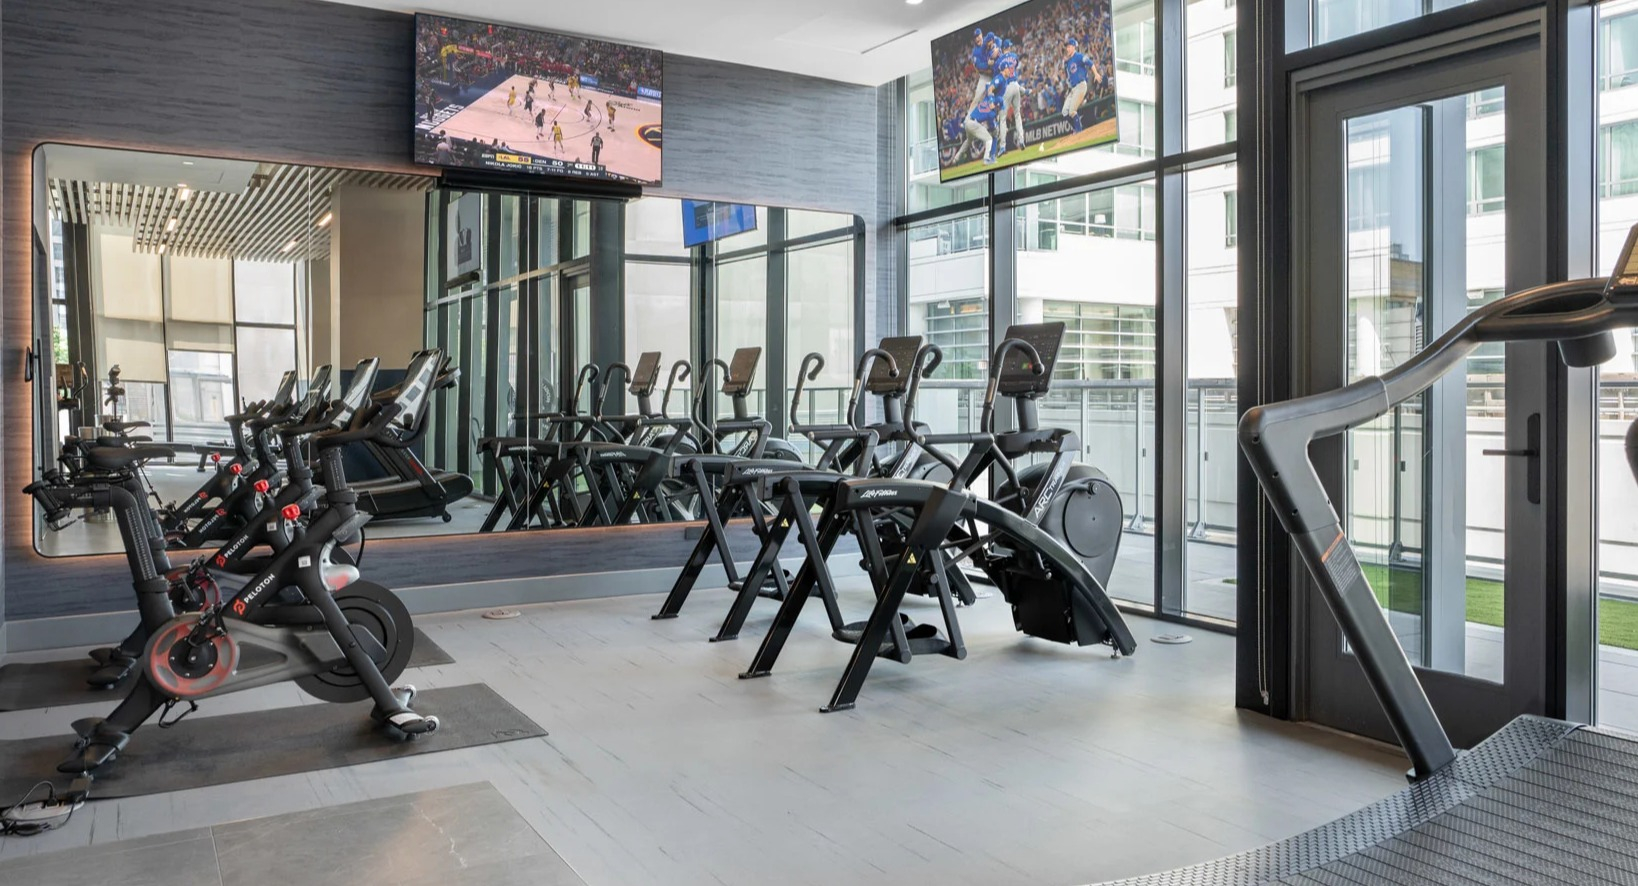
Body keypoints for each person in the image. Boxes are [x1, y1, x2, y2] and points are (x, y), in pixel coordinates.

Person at [1061, 37, 1092, 133]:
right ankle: (1076, 128)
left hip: (1081, 85)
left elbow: (1088, 63)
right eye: (1067, 47)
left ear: (1074, 47)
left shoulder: (1078, 57)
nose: (1067, 49)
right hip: (1074, 88)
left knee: (1071, 111)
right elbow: (1069, 78)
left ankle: (1079, 130)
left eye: (1069, 46)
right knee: (1064, 112)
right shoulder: (1068, 64)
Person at [965, 89, 1003, 165]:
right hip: (974, 123)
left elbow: (988, 90)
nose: (999, 109)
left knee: (987, 136)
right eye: (998, 107)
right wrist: (996, 126)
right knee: (989, 139)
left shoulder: (987, 99)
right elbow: (992, 127)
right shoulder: (992, 113)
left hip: (969, 121)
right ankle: (986, 159)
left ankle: (973, 146)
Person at [968, 29, 1002, 115]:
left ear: (981, 35)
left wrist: (997, 48)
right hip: (985, 76)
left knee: (998, 95)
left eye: (978, 36)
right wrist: (987, 63)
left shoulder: (988, 39)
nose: (977, 38)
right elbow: (979, 65)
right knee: (978, 96)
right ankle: (968, 118)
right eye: (975, 37)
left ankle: (998, 117)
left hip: (994, 73)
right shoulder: (976, 51)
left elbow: (999, 40)